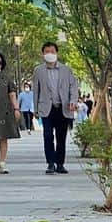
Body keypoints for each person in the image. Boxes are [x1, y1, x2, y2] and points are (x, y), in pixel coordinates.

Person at [32, 41, 81, 175]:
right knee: (47, 135)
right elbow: (36, 90)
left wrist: (73, 101)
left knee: (61, 136)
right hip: (46, 108)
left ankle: (60, 163)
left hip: (63, 108)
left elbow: (73, 87)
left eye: (52, 51)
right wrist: (35, 109)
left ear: (57, 53)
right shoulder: (38, 70)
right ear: (43, 54)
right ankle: (50, 163)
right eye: (47, 51)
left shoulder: (66, 70)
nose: (50, 54)